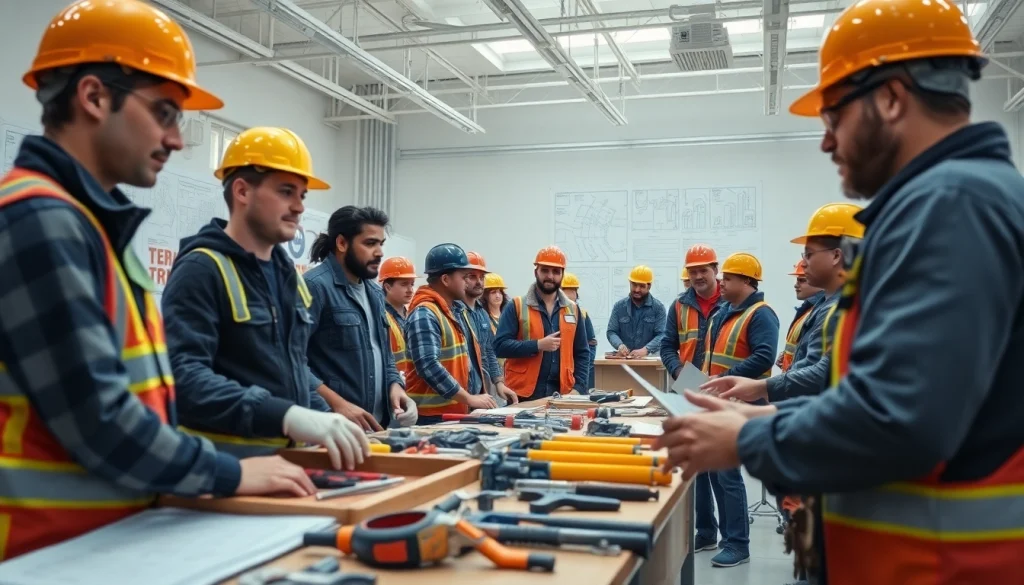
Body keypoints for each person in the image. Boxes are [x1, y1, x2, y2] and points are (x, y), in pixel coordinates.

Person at [657, 2, 1024, 584]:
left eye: (834, 117)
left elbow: (901, 420)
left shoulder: (952, 206)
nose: (827, 142)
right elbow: (888, 392)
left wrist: (751, 434)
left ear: (892, 98)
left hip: (936, 568)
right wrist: (776, 410)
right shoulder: (955, 201)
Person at [0, 0, 316, 560]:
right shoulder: (37, 219)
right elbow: (99, 419)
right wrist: (228, 470)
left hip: (107, 539)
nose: (176, 139)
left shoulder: (90, 226)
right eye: (165, 113)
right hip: (45, 551)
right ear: (94, 97)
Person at [163, 127, 368, 471]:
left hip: (287, 465)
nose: (299, 206)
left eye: (302, 194)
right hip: (224, 470)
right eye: (287, 191)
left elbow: (290, 370)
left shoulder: (287, 276)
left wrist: (322, 420)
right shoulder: (203, 268)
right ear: (242, 191)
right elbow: (183, 378)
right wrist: (285, 415)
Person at [703, 204, 863, 404]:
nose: (803, 264)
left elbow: (822, 375)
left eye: (809, 254)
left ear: (837, 255)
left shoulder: (842, 309)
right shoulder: (825, 306)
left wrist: (761, 391)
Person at [693, 252, 779, 568]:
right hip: (720, 402)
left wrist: (724, 380)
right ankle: (716, 535)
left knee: (728, 476)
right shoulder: (723, 313)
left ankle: (738, 543)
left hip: (745, 405)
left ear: (745, 281)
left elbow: (764, 357)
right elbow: (711, 357)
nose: (721, 283)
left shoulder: (761, 314)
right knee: (715, 473)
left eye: (727, 278)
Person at [303, 206, 416, 432]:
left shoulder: (374, 293)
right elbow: (292, 362)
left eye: (381, 244)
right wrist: (338, 404)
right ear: (342, 243)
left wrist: (395, 386)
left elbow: (384, 354)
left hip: (375, 428)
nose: (380, 252)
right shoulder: (314, 287)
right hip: (331, 428)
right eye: (370, 243)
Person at [405, 244, 496, 423]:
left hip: (455, 409)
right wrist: (468, 398)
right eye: (464, 277)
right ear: (446, 279)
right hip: (433, 416)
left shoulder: (455, 311)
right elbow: (428, 365)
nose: (467, 282)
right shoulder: (425, 313)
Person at [494, 246, 591, 400]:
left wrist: (578, 388)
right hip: (522, 395)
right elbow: (500, 347)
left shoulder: (573, 309)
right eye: (545, 270)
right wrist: (538, 345)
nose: (550, 276)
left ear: (562, 275)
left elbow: (582, 353)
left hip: (563, 394)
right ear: (536, 272)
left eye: (555, 272)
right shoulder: (517, 306)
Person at [463, 252, 519, 405]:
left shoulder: (481, 313)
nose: (479, 282)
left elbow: (489, 350)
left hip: (484, 386)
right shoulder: (454, 312)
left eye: (481, 277)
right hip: (463, 392)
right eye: (472, 277)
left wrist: (499, 383)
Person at [607, 265, 666, 358]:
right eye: (634, 285)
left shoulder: (658, 308)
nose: (637, 289)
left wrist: (646, 350)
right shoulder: (619, 307)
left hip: (649, 360)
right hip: (625, 361)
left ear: (649, 286)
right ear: (630, 283)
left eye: (642, 286)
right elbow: (611, 332)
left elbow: (662, 335)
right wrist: (620, 345)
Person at [775, 261, 823, 371]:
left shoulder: (820, 310)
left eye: (802, 280)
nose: (796, 285)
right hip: (791, 380)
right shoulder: (808, 309)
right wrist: (786, 356)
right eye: (797, 280)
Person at [378, 256, 418, 379]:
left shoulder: (412, 314)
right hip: (391, 385)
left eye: (412, 284)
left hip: (411, 384)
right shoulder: (380, 317)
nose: (410, 290)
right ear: (388, 287)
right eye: (404, 284)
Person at [561, 272, 597, 392]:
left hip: (579, 369)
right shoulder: (554, 314)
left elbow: (591, 343)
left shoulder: (582, 314)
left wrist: (587, 365)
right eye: (567, 290)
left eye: (573, 290)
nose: (571, 294)